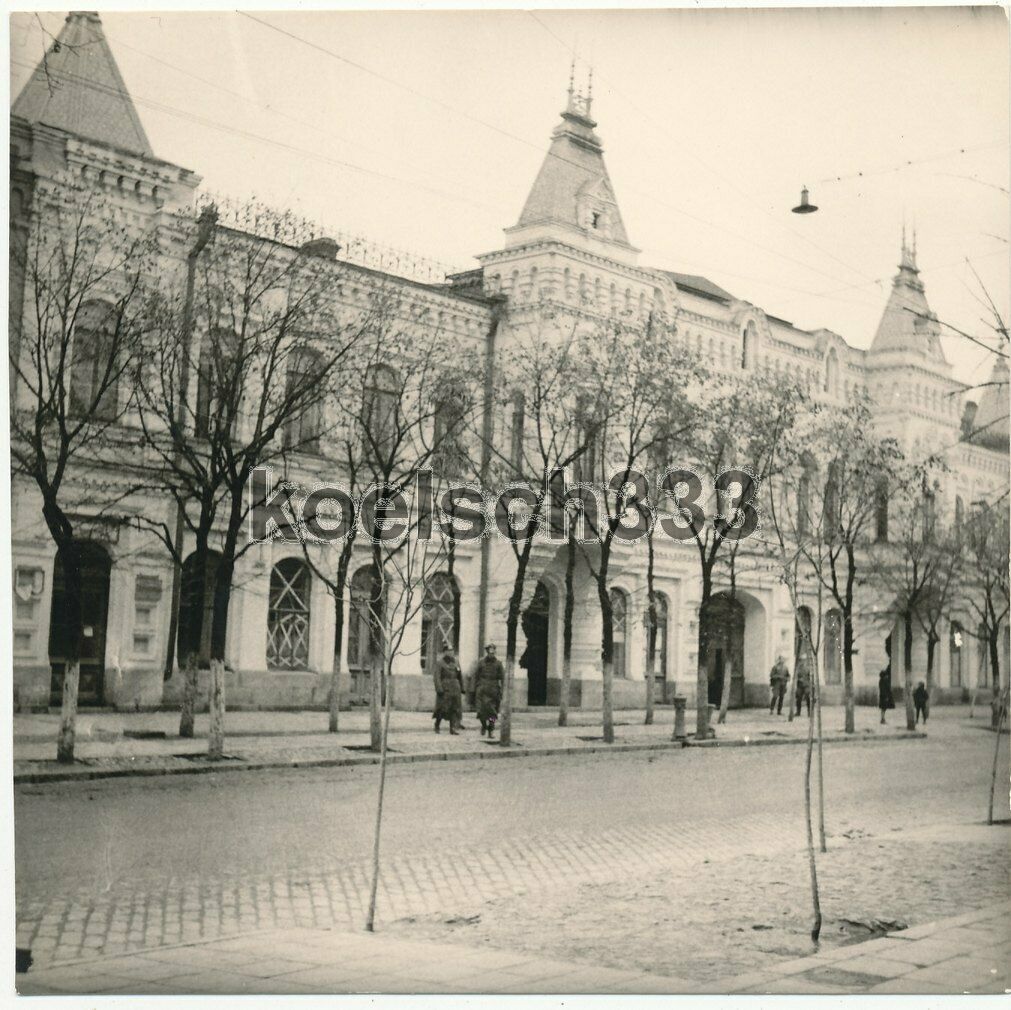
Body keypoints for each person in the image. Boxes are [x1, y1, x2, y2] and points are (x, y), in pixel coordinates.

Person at [473, 643, 505, 737]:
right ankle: (483, 725)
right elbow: (476, 675)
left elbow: (502, 678)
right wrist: (475, 688)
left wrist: (502, 690)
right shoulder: (481, 662)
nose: (491, 654)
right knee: (481, 711)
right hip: (482, 689)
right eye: (490, 652)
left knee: (493, 713)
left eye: (493, 652)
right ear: (487, 652)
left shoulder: (499, 664)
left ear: (495, 652)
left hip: (494, 690)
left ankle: (491, 729)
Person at [433, 647, 464, 734]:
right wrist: (439, 688)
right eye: (449, 651)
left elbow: (460, 675)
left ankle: (452, 728)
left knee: (454, 708)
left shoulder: (456, 662)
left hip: (455, 687)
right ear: (445, 652)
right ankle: (437, 725)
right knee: (441, 708)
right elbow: (437, 677)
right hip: (445, 688)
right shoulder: (440, 663)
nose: (451, 653)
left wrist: (462, 687)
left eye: (452, 651)